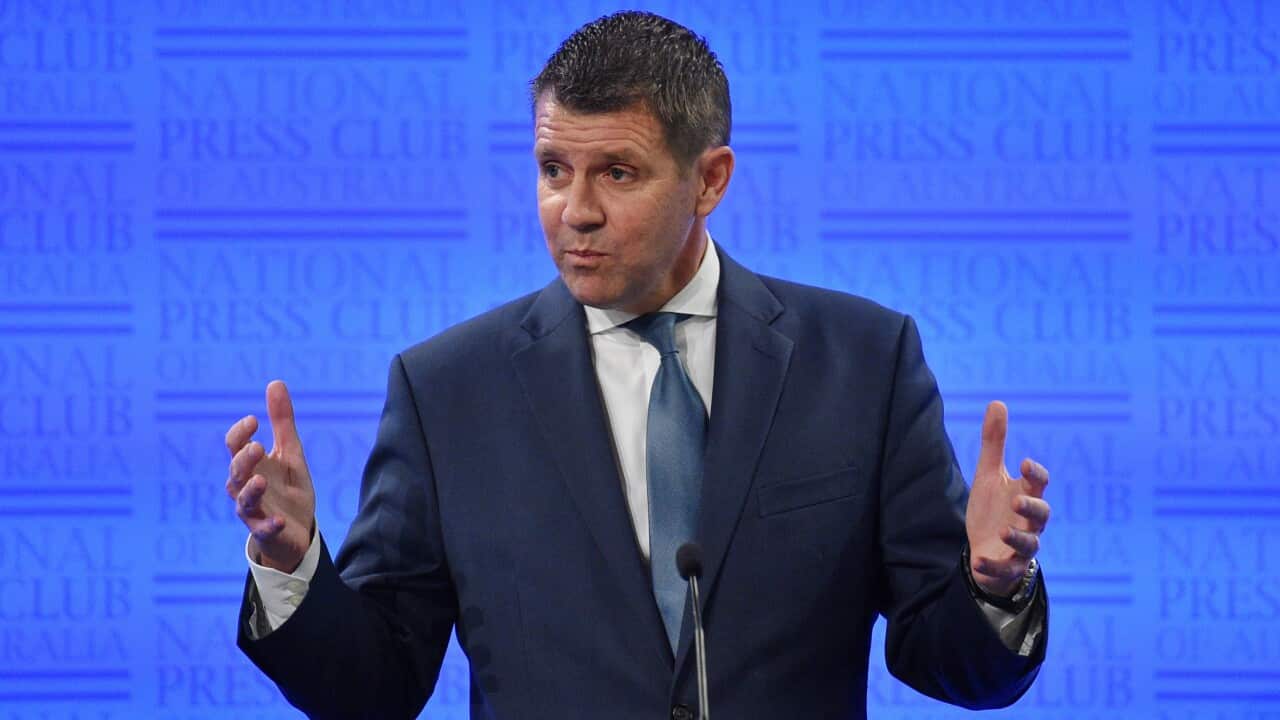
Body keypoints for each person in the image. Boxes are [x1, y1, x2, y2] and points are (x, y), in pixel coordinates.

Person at [224, 11, 1051, 719]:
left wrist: (991, 586)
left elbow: (952, 665)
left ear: (710, 180)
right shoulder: (446, 392)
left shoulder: (863, 362)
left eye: (617, 172)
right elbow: (376, 686)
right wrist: (293, 566)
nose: (575, 212)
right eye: (554, 171)